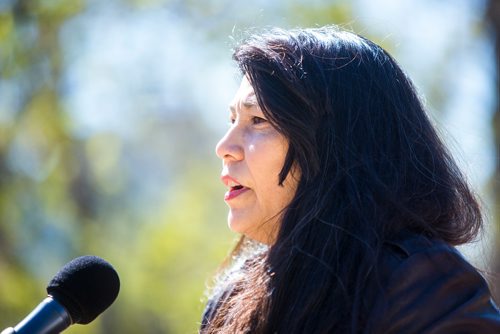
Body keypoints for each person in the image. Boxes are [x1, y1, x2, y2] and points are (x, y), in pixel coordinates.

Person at [200, 26, 500, 333]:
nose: (224, 147)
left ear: (337, 144)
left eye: (258, 120)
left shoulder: (420, 287)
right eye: (232, 120)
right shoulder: (231, 299)